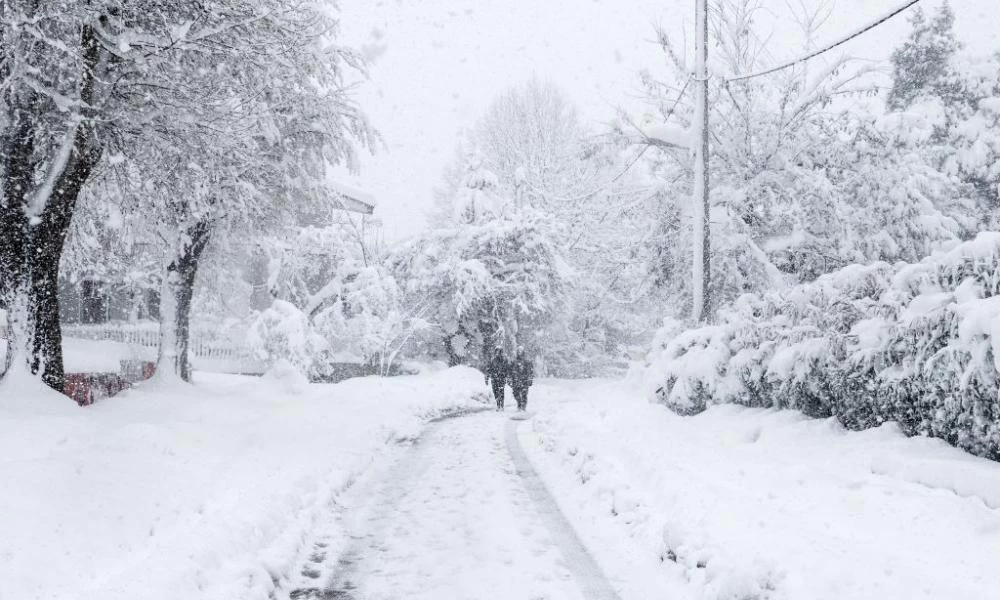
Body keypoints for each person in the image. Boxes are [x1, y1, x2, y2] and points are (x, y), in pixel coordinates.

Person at [509, 347, 534, 412]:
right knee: (516, 394)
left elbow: (531, 371)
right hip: (515, 381)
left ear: (523, 352)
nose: (519, 353)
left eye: (521, 351)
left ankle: (523, 407)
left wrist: (530, 379)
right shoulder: (514, 361)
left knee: (524, 394)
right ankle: (519, 404)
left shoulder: (527, 361)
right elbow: (510, 371)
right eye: (518, 351)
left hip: (524, 381)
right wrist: (509, 379)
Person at [485, 347, 508, 411]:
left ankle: (502, 405)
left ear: (501, 352)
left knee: (501, 391)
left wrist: (506, 376)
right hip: (494, 378)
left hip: (501, 378)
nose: (497, 353)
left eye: (499, 351)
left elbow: (507, 369)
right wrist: (486, 378)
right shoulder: (492, 360)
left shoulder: (504, 360)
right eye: (496, 351)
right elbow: (488, 369)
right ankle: (498, 405)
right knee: (495, 392)